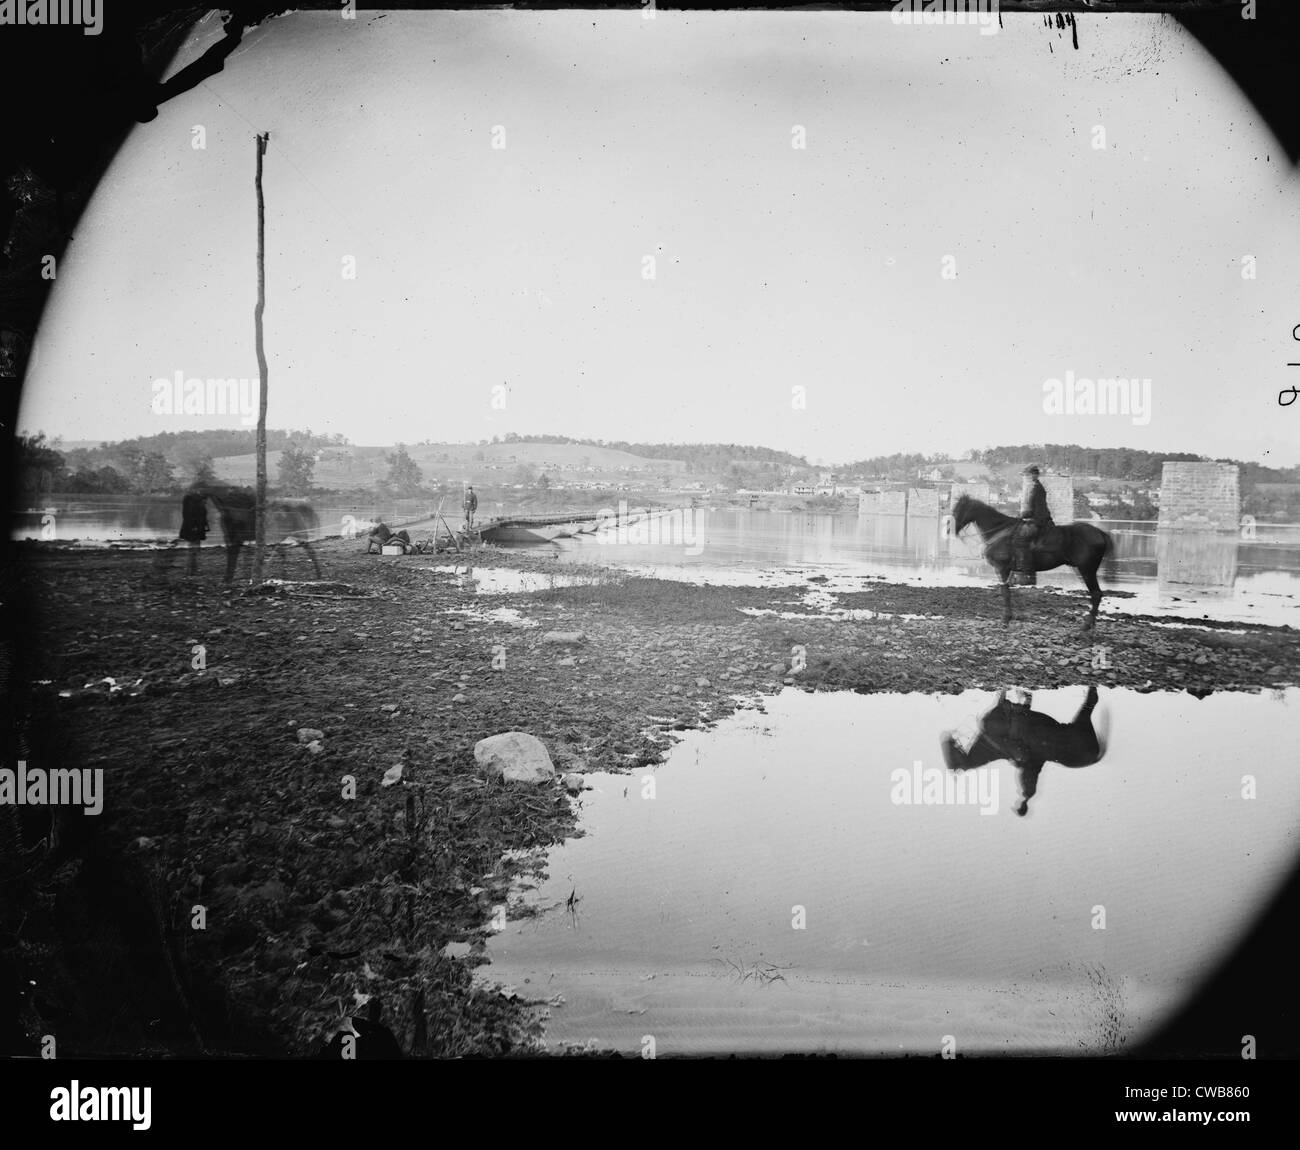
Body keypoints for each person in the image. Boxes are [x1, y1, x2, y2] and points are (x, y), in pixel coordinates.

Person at [1014, 465, 1054, 576]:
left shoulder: (1035, 488)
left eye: (1026, 475)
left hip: (1039, 520)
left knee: (1021, 538)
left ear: (1034, 475)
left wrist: (1020, 517)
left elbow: (1032, 509)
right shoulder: (1032, 487)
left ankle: (1027, 568)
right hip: (1034, 518)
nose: (1025, 478)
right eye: (1024, 475)